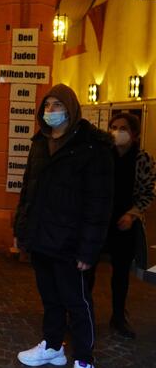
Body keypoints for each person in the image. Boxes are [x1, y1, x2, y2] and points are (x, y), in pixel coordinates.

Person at [13, 84, 114, 368]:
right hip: (42, 237)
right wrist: (22, 229)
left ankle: (84, 358)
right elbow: (28, 191)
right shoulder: (40, 143)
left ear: (70, 108)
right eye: (47, 105)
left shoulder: (93, 147)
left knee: (77, 303)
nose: (50, 111)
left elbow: (99, 203)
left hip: (71, 243)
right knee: (51, 298)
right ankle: (53, 346)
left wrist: (88, 249)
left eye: (57, 105)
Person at [91, 113, 155, 339]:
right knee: (88, 267)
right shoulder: (102, 155)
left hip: (125, 224)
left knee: (120, 274)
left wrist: (132, 214)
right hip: (100, 222)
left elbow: (148, 192)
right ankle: (83, 313)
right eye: (113, 127)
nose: (117, 131)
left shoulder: (143, 159)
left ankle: (118, 316)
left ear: (134, 133)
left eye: (123, 128)